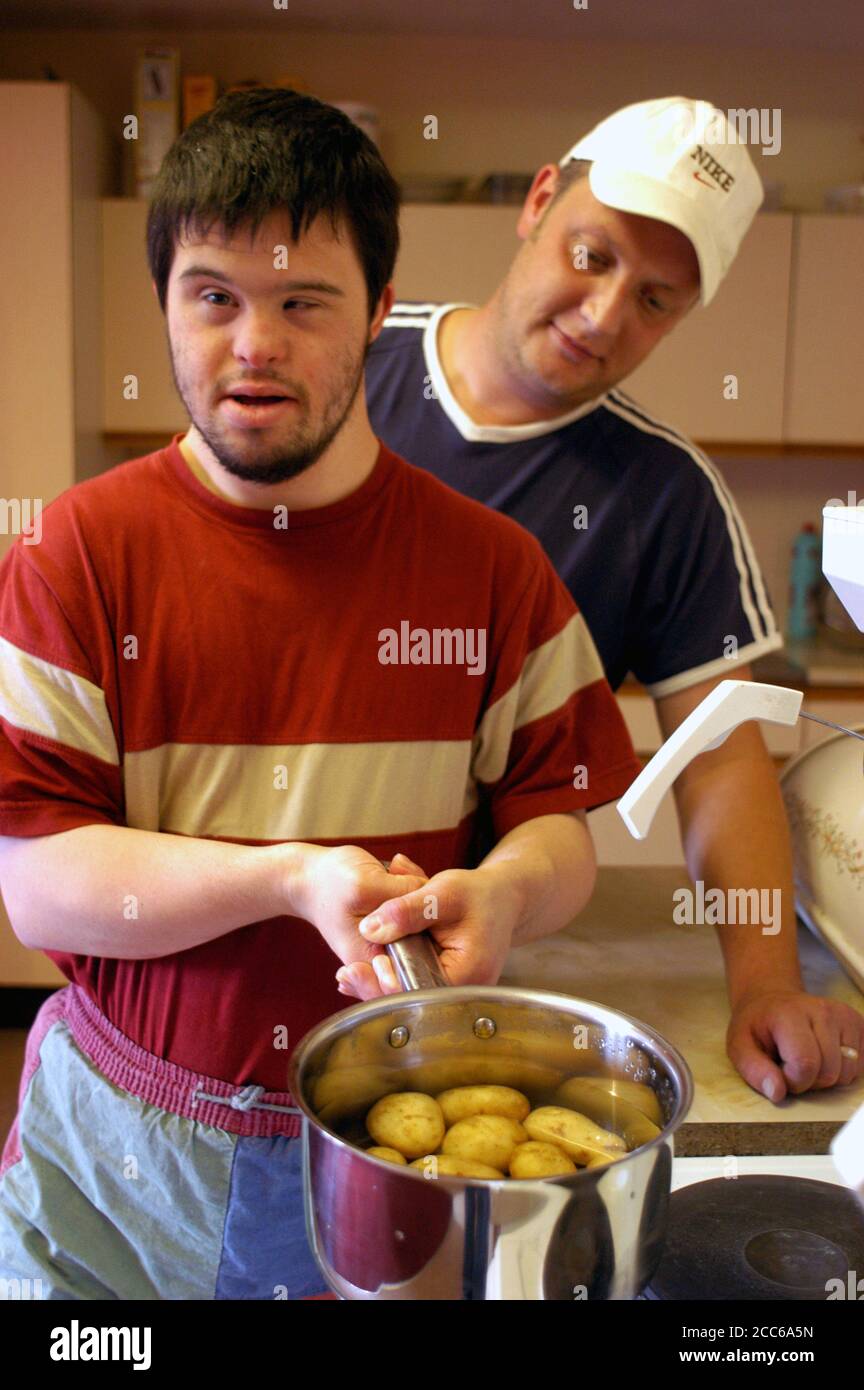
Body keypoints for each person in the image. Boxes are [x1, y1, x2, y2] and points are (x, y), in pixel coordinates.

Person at [0, 89, 640, 1300]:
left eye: (304, 303)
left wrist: (502, 895)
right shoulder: (69, 556)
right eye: (215, 297)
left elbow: (559, 828)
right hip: (111, 1173)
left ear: (379, 314)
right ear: (168, 308)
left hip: (387, 1142)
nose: (254, 343)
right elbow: (35, 878)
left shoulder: (494, 571)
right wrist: (288, 878)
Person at [365, 96, 864, 1103]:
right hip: (277, 915)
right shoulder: (350, 368)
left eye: (655, 299)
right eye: (592, 256)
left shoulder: (663, 497)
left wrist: (764, 983)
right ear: (540, 200)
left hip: (490, 947)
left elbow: (721, 755)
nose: (603, 317)